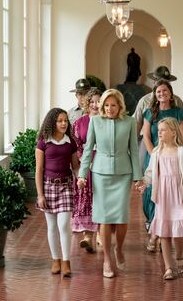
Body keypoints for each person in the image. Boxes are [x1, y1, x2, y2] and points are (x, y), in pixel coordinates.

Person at [77, 89, 141, 278]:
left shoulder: (129, 122)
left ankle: (118, 249)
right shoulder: (95, 122)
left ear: (120, 105)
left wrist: (137, 177)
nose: (110, 108)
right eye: (106, 105)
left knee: (121, 217)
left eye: (113, 105)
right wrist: (82, 175)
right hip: (100, 174)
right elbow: (88, 150)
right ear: (102, 106)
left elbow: (134, 151)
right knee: (104, 217)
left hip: (123, 173)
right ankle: (106, 259)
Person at [138, 117, 183, 280]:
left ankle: (179, 257)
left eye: (163, 130)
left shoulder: (182, 152)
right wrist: (144, 183)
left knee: (178, 230)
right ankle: (169, 267)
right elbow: (150, 172)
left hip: (178, 194)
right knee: (164, 231)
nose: (159, 132)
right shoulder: (157, 151)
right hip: (163, 195)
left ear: (173, 132)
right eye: (159, 130)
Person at [142, 79, 183, 252]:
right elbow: (146, 136)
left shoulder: (179, 112)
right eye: (158, 91)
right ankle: (156, 231)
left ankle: (159, 236)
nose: (162, 94)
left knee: (171, 197)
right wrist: (155, 154)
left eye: (165, 90)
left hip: (174, 159)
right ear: (155, 94)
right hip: (155, 156)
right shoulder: (150, 113)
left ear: (170, 92)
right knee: (154, 195)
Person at [35, 108, 79, 277]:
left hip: (66, 186)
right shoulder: (43, 142)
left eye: (65, 121)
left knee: (63, 225)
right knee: (52, 226)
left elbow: (75, 165)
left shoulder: (71, 142)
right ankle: (56, 260)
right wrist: (40, 195)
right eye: (60, 121)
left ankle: (66, 262)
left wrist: (80, 177)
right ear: (52, 122)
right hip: (47, 187)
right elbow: (39, 169)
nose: (63, 124)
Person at [133, 66, 183, 167]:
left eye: (166, 81)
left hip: (173, 148)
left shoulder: (177, 101)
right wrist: (133, 148)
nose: (162, 93)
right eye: (159, 80)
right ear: (154, 81)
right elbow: (137, 124)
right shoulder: (144, 101)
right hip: (149, 143)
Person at [71, 87, 102, 253]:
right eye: (92, 101)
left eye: (98, 101)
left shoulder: (108, 121)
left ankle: (99, 234)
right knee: (86, 199)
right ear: (87, 103)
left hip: (103, 166)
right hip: (86, 165)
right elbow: (75, 144)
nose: (95, 105)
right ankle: (87, 236)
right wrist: (83, 161)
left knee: (101, 199)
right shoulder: (79, 123)